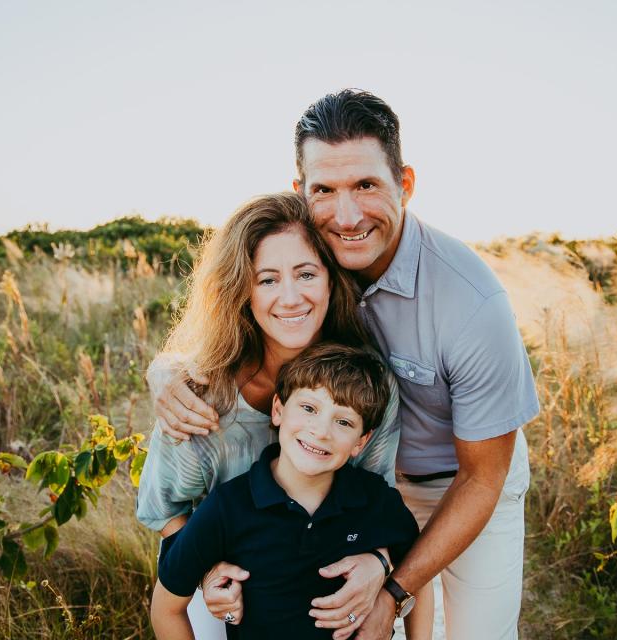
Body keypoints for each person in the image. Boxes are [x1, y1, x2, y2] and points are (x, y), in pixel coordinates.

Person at [155, 90, 540, 640]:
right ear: (301, 193)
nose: (348, 214)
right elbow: (234, 318)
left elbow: (484, 476)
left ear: (404, 184)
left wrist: (392, 586)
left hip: (461, 479)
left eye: (366, 185)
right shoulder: (310, 258)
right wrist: (168, 372)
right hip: (340, 474)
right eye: (325, 191)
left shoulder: (472, 304)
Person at [136, 192, 418, 638]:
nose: (290, 297)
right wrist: (210, 567)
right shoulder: (198, 400)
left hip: (321, 576)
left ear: (331, 279)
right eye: (267, 280)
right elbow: (163, 508)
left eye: (306, 273)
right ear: (242, 291)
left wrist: (379, 563)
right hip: (224, 578)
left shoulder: (369, 383)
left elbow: (376, 499)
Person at [150, 343, 420, 640]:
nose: (321, 431)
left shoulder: (374, 500)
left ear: (361, 442)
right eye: (308, 408)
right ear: (278, 409)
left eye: (343, 421)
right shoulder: (229, 507)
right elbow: (166, 608)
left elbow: (417, 572)